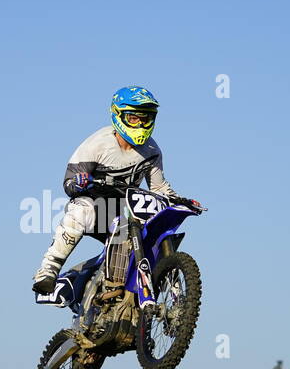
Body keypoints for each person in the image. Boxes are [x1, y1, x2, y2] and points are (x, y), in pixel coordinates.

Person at [32, 85, 203, 295]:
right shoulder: (97, 144)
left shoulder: (152, 150)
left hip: (128, 211)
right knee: (80, 209)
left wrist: (181, 201)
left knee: (155, 231)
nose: (140, 124)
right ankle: (49, 269)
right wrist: (79, 181)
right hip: (98, 207)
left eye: (146, 118)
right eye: (133, 118)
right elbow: (68, 182)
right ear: (118, 115)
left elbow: (159, 187)